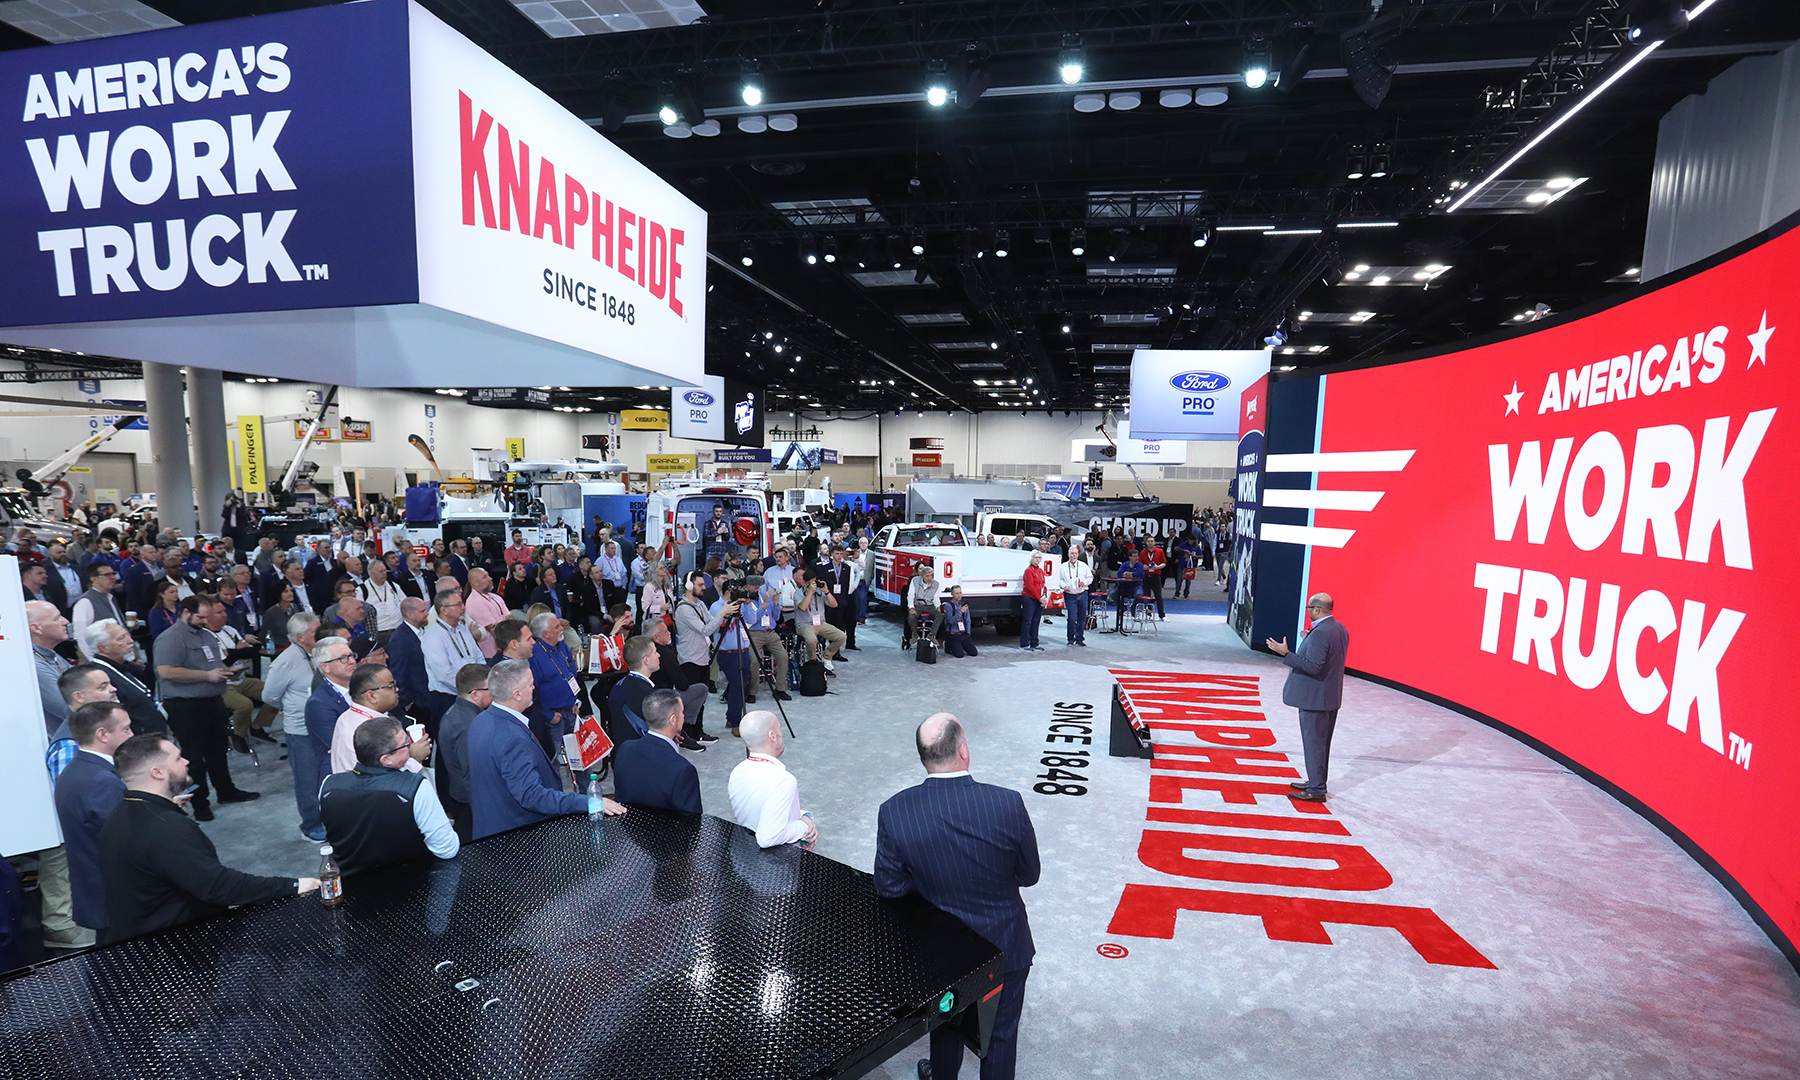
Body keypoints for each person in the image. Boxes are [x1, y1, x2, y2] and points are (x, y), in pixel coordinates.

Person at [876, 714, 1039, 1080]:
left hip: (940, 952)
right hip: (1005, 943)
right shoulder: (1007, 803)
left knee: (946, 1023)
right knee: (1000, 1036)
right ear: (963, 750)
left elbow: (889, 887)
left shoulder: (895, 811)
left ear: (924, 757)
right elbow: (1030, 875)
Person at [99, 733, 320, 943]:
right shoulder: (167, 828)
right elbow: (217, 886)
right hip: (178, 948)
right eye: (177, 758)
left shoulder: (121, 815)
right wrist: (292, 886)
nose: (186, 761)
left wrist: (167, 807)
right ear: (158, 772)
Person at [467, 659, 623, 839]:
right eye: (531, 685)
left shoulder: (479, 721)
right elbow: (532, 796)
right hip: (518, 838)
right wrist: (589, 802)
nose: (534, 689)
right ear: (517, 694)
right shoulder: (512, 737)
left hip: (490, 828)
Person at [155, 595, 257, 820]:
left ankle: (226, 791)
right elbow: (165, 671)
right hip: (186, 706)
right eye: (200, 617)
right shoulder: (171, 639)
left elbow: (212, 664)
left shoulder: (206, 635)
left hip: (213, 701)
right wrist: (205, 675)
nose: (204, 621)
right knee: (193, 758)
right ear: (185, 612)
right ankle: (201, 804)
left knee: (218, 751)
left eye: (206, 617)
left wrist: (225, 671)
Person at [319, 716, 459, 875]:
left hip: (350, 886)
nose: (411, 747)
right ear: (386, 759)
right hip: (412, 885)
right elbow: (447, 849)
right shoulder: (415, 788)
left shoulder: (328, 785)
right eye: (406, 744)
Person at [53, 701, 132, 937]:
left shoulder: (78, 770)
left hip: (100, 894)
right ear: (102, 735)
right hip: (117, 897)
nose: (132, 735)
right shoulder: (102, 781)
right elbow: (129, 839)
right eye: (126, 729)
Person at [1265, 593, 1349, 802]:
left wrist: (1286, 653)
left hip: (1315, 698)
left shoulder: (1321, 632)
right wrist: (1307, 642)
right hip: (1329, 696)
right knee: (1321, 744)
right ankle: (1316, 782)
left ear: (1317, 609)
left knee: (1314, 744)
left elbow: (1313, 667)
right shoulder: (1338, 628)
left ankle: (1317, 789)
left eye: (1309, 608)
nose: (1309, 611)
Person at [265, 613, 327, 841]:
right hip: (300, 730)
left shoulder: (319, 653)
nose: (320, 634)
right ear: (300, 637)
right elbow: (269, 696)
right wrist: (290, 706)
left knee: (325, 775)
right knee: (307, 779)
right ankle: (311, 825)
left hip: (323, 727)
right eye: (315, 631)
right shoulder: (285, 662)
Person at [728, 710, 816, 849]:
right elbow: (768, 838)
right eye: (779, 729)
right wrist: (803, 827)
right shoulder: (783, 780)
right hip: (779, 862)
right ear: (772, 736)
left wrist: (804, 816)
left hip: (745, 851)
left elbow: (763, 810)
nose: (782, 734)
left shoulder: (738, 771)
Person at [612, 689, 702, 814]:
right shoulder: (683, 769)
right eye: (681, 712)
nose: (684, 715)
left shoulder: (625, 749)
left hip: (628, 828)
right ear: (672, 719)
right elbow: (692, 822)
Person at [330, 663, 428, 774]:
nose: (397, 689)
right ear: (371, 696)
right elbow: (377, 776)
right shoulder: (366, 731)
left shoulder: (346, 717)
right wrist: (413, 757)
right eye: (390, 686)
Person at [673, 570, 732, 749]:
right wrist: (723, 612)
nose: (704, 587)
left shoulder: (699, 605)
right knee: (688, 699)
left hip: (703, 657)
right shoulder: (683, 609)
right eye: (700, 585)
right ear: (689, 586)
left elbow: (712, 622)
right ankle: (685, 733)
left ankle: (698, 731)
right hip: (689, 659)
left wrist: (724, 615)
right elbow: (706, 630)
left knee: (701, 698)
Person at [434, 663, 492, 841]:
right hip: (471, 806)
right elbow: (472, 775)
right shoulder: (467, 726)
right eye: (490, 688)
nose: (495, 692)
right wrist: (486, 814)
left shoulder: (459, 712)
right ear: (474, 694)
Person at [83, 620, 166, 734]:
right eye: (121, 638)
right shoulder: (100, 676)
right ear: (103, 648)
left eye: (127, 635)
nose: (130, 640)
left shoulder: (124, 667)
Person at [421, 588, 480, 733]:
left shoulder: (462, 629)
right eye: (458, 604)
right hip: (448, 698)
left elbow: (479, 658)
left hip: (471, 694)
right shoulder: (432, 636)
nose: (463, 607)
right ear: (444, 610)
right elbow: (444, 675)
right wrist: (472, 690)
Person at [527, 611, 581, 752]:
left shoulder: (562, 646)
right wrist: (548, 715)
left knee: (580, 756)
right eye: (557, 627)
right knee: (554, 758)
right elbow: (533, 691)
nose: (562, 628)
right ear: (546, 633)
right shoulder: (534, 655)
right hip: (553, 716)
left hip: (571, 711)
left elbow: (571, 671)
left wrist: (575, 700)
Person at [708, 582, 753, 737]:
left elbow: (752, 619)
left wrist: (746, 605)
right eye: (737, 592)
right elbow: (719, 625)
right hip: (728, 653)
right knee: (737, 686)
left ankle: (731, 717)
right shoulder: (717, 606)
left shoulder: (741, 606)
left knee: (743, 685)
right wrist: (729, 610)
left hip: (744, 650)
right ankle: (736, 722)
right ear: (728, 592)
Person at [740, 577, 791, 704]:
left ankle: (780, 688)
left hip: (770, 632)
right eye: (754, 585)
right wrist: (764, 605)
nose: (757, 587)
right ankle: (752, 691)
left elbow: (776, 617)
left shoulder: (763, 596)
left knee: (783, 657)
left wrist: (775, 603)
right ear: (746, 586)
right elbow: (752, 620)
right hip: (753, 633)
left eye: (758, 585)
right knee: (754, 662)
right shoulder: (743, 600)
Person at [383, 595, 433, 725]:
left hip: (428, 698)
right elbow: (398, 674)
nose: (427, 613)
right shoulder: (400, 640)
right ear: (410, 615)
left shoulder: (422, 632)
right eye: (422, 611)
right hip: (418, 704)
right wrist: (410, 703)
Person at [29, 599, 73, 733]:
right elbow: (70, 707)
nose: (66, 621)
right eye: (57, 618)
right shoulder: (33, 666)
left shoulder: (52, 655)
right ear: (36, 628)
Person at [793, 567, 845, 672]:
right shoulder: (798, 593)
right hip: (804, 624)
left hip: (821, 623)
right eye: (811, 583)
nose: (814, 585)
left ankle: (827, 656)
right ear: (805, 583)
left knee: (841, 636)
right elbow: (803, 607)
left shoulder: (819, 592)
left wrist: (826, 591)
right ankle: (813, 661)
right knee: (812, 640)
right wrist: (810, 592)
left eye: (815, 582)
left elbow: (834, 604)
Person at [607, 635, 659, 741]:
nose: (658, 655)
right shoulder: (647, 695)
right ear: (646, 660)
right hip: (642, 753)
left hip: (623, 751)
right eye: (655, 652)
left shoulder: (618, 686)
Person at [69, 561, 126, 651]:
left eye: (113, 574)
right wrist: (93, 660)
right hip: (101, 656)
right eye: (107, 575)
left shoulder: (112, 597)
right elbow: (80, 637)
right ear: (94, 579)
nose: (112, 577)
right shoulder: (85, 602)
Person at [1057, 548, 1094, 647]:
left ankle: (1079, 638)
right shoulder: (1063, 566)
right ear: (1068, 555)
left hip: (1082, 594)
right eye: (1072, 553)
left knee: (1082, 618)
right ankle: (1070, 639)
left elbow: (1090, 577)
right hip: (1070, 595)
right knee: (1072, 618)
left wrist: (1084, 583)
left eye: (1075, 553)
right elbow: (1059, 579)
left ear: (1078, 555)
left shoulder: (1083, 566)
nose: (1074, 555)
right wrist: (1064, 586)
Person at [904, 564, 941, 649]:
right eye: (927, 576)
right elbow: (910, 595)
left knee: (941, 614)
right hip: (917, 604)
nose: (929, 578)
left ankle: (932, 635)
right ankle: (915, 634)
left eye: (931, 576)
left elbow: (935, 598)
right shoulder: (915, 581)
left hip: (929, 605)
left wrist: (938, 606)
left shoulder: (936, 584)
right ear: (922, 576)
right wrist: (911, 607)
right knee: (911, 616)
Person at [1020, 552, 1048, 651]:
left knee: (1036, 621)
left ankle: (1034, 642)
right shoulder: (1028, 570)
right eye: (1035, 557)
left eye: (1039, 557)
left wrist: (1044, 595)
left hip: (1038, 598)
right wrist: (1039, 597)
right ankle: (1024, 644)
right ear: (1031, 558)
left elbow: (1043, 584)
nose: (1037, 559)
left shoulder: (1040, 570)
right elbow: (1030, 586)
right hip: (1030, 598)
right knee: (1028, 621)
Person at [941, 586, 978, 658]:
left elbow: (968, 620)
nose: (959, 595)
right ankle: (948, 645)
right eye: (957, 593)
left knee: (973, 653)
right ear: (952, 594)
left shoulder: (963, 605)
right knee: (959, 655)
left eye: (960, 593)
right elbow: (950, 621)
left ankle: (961, 645)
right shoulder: (948, 606)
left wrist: (968, 633)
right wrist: (960, 612)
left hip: (963, 633)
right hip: (953, 634)